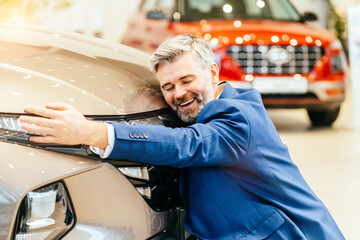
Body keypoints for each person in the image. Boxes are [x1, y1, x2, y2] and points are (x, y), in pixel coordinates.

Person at [19, 34, 344, 239]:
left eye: (187, 80)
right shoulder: (212, 109)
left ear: (213, 72)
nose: (180, 94)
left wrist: (91, 131)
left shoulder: (238, 115)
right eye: (169, 87)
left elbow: (190, 146)